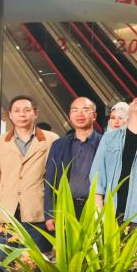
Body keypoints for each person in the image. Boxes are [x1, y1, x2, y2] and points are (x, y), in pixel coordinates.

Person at [0, 96, 59, 248]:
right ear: (10, 115)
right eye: (17, 111)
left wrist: (53, 213)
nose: (22, 114)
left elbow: (56, 178)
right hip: (6, 212)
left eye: (27, 110)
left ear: (35, 113)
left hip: (38, 212)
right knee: (7, 260)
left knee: (36, 260)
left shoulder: (51, 139)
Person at [90, 95, 137, 223]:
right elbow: (97, 178)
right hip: (110, 215)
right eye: (135, 100)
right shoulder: (109, 138)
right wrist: (100, 214)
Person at [44, 97, 102, 227]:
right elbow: (50, 180)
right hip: (65, 208)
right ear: (70, 116)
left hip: (96, 207)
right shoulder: (59, 145)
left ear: (94, 116)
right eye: (75, 110)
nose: (80, 114)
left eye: (85, 110)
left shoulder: (104, 143)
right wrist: (49, 214)